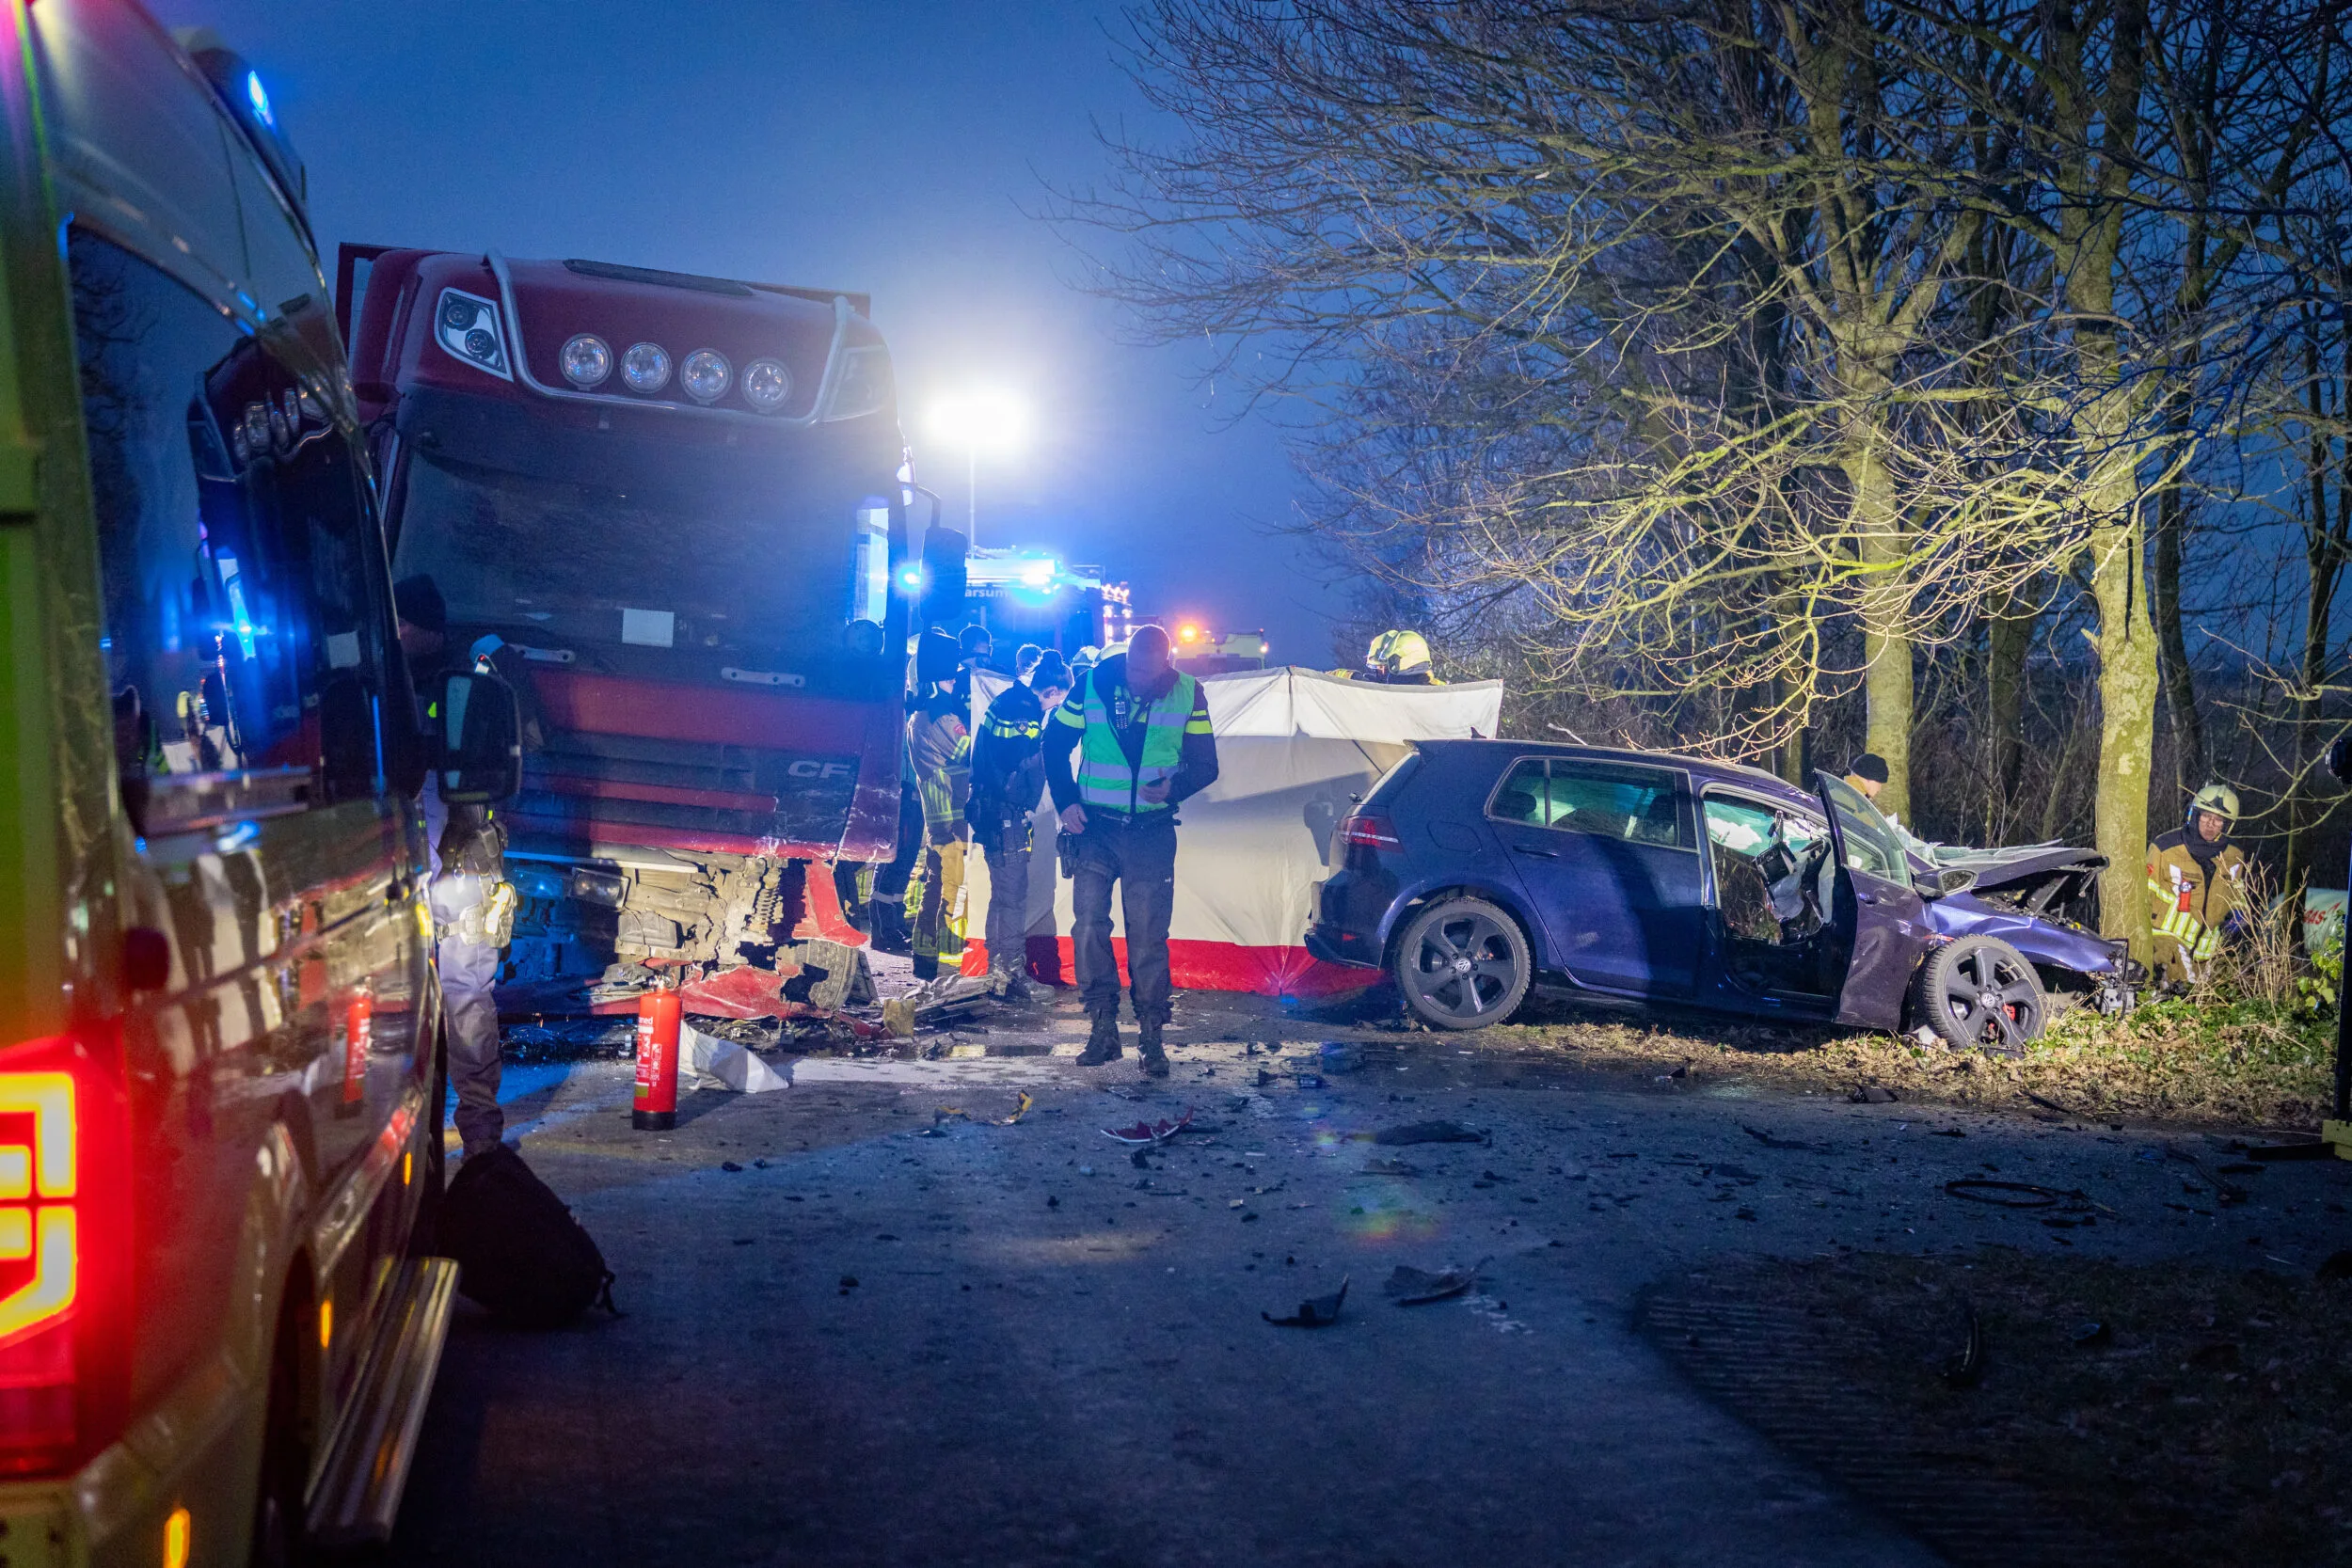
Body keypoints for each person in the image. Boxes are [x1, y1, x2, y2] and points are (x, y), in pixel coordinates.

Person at [1044, 624, 1218, 1076]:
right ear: (1127, 658)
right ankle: (1102, 1027)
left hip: (1152, 833)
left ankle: (1151, 1037)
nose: (1138, 678)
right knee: (1088, 927)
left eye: (1147, 671)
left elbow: (1206, 764)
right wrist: (1066, 801)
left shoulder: (1188, 693)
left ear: (1166, 664)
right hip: (1094, 829)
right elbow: (1054, 743)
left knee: (1147, 937)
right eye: (1133, 668)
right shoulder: (1092, 684)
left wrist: (1175, 788)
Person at [395, 575, 515, 1159]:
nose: (395, 634)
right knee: (452, 998)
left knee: (462, 997)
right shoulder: (411, 681)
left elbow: (436, 789)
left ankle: (477, 1137)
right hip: (442, 865)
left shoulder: (453, 685)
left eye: (403, 624)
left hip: (455, 866)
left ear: (422, 628)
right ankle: (463, 1135)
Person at [971, 650, 1073, 1000]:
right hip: (1006, 813)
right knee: (1013, 897)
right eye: (1058, 700)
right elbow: (1019, 763)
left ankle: (996, 971)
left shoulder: (1008, 701)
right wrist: (1028, 799)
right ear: (1052, 691)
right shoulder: (1025, 712)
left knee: (1001, 896)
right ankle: (1012, 974)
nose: (1056, 706)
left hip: (991, 810)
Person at [906, 629, 973, 979]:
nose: (955, 679)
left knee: (936, 886)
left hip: (939, 817)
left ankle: (925, 956)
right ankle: (948, 965)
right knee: (953, 890)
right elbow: (969, 754)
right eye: (950, 675)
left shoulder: (924, 714)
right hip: (952, 819)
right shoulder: (940, 717)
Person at [2146, 783, 2249, 984]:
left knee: (2201, 998)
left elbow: (2237, 893)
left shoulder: (2234, 856)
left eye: (2219, 820)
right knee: (2179, 990)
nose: (2211, 824)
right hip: (2165, 943)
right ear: (2194, 815)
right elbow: (2143, 892)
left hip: (2205, 952)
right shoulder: (2165, 847)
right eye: (2206, 816)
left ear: (2228, 825)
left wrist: (2238, 914)